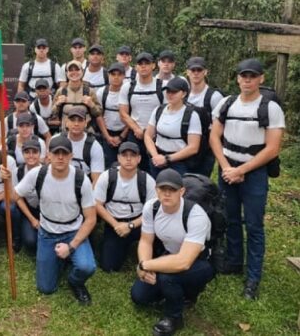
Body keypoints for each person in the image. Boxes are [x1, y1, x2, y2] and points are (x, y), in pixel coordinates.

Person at [209, 58, 285, 300]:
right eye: (243, 76)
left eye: (252, 76)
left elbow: (272, 148)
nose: (247, 80)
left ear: (261, 78)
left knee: (253, 224)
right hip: (227, 167)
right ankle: (233, 261)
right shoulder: (226, 103)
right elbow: (214, 137)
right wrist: (226, 167)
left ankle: (253, 277)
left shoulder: (269, 108)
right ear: (238, 78)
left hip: (254, 172)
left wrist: (242, 170)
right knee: (229, 218)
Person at [131, 168, 214, 336]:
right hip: (170, 254)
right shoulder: (151, 208)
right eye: (163, 189)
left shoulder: (195, 215)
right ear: (156, 190)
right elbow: (146, 241)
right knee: (139, 296)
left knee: (168, 277)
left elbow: (184, 262)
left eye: (172, 190)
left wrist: (144, 264)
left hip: (200, 261)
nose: (167, 194)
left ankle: (174, 317)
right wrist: (145, 269)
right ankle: (176, 292)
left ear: (182, 191)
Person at [15, 136, 97, 305]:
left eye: (64, 153)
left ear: (71, 156)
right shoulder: (37, 175)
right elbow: (15, 196)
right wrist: (6, 178)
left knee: (87, 267)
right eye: (56, 153)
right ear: (48, 156)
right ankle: (60, 260)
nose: (60, 157)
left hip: (73, 230)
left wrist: (71, 246)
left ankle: (75, 282)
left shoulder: (81, 180)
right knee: (46, 288)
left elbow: (90, 219)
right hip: (47, 232)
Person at [94, 142, 156, 272]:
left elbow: (152, 210)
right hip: (114, 223)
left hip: (139, 223)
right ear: (118, 158)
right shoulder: (107, 176)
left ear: (139, 159)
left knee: (156, 250)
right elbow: (97, 204)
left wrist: (131, 226)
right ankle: (109, 242)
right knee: (109, 267)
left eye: (133, 155)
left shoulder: (147, 180)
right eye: (124, 155)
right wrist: (116, 225)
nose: (128, 159)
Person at [144, 77, 201, 178]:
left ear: (183, 94)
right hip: (157, 159)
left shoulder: (192, 115)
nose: (170, 94)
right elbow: (148, 135)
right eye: (168, 91)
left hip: (179, 163)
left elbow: (193, 147)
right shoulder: (159, 110)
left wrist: (167, 159)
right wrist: (155, 156)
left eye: (174, 92)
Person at [119, 52, 165, 171]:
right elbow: (123, 113)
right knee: (133, 169)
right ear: (136, 67)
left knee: (156, 168)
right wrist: (136, 129)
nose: (143, 66)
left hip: (157, 136)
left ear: (153, 66)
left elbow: (167, 111)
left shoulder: (163, 86)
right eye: (140, 64)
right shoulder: (128, 87)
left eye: (147, 63)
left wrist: (152, 131)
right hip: (135, 135)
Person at [185, 56, 224, 176]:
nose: (196, 73)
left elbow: (220, 125)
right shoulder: (182, 94)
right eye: (193, 70)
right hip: (184, 146)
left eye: (199, 70)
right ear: (187, 72)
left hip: (206, 149)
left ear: (205, 72)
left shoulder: (214, 96)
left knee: (201, 184)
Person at [52, 60, 102, 134]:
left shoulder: (89, 91)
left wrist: (92, 105)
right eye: (71, 70)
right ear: (66, 73)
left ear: (82, 72)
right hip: (66, 132)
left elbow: (99, 113)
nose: (74, 72)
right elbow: (53, 112)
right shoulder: (61, 91)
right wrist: (57, 104)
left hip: (87, 132)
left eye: (77, 69)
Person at [59, 106, 105, 186]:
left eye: (80, 120)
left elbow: (96, 180)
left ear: (85, 123)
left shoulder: (94, 146)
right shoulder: (57, 140)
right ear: (66, 122)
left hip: (84, 186)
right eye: (72, 120)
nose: (76, 124)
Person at [97, 62, 129, 168]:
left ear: (124, 76)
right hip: (107, 133)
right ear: (108, 75)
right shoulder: (102, 92)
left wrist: (122, 136)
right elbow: (99, 116)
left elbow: (132, 116)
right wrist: (107, 137)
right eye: (113, 74)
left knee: (126, 164)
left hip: (125, 133)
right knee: (108, 166)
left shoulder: (128, 92)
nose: (116, 77)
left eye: (119, 74)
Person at [14, 139, 44, 253]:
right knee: (31, 242)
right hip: (29, 210)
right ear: (22, 154)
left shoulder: (46, 170)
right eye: (27, 152)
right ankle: (18, 233)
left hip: (46, 210)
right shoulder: (18, 172)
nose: (31, 155)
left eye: (34, 152)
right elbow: (17, 197)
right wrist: (32, 220)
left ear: (40, 154)